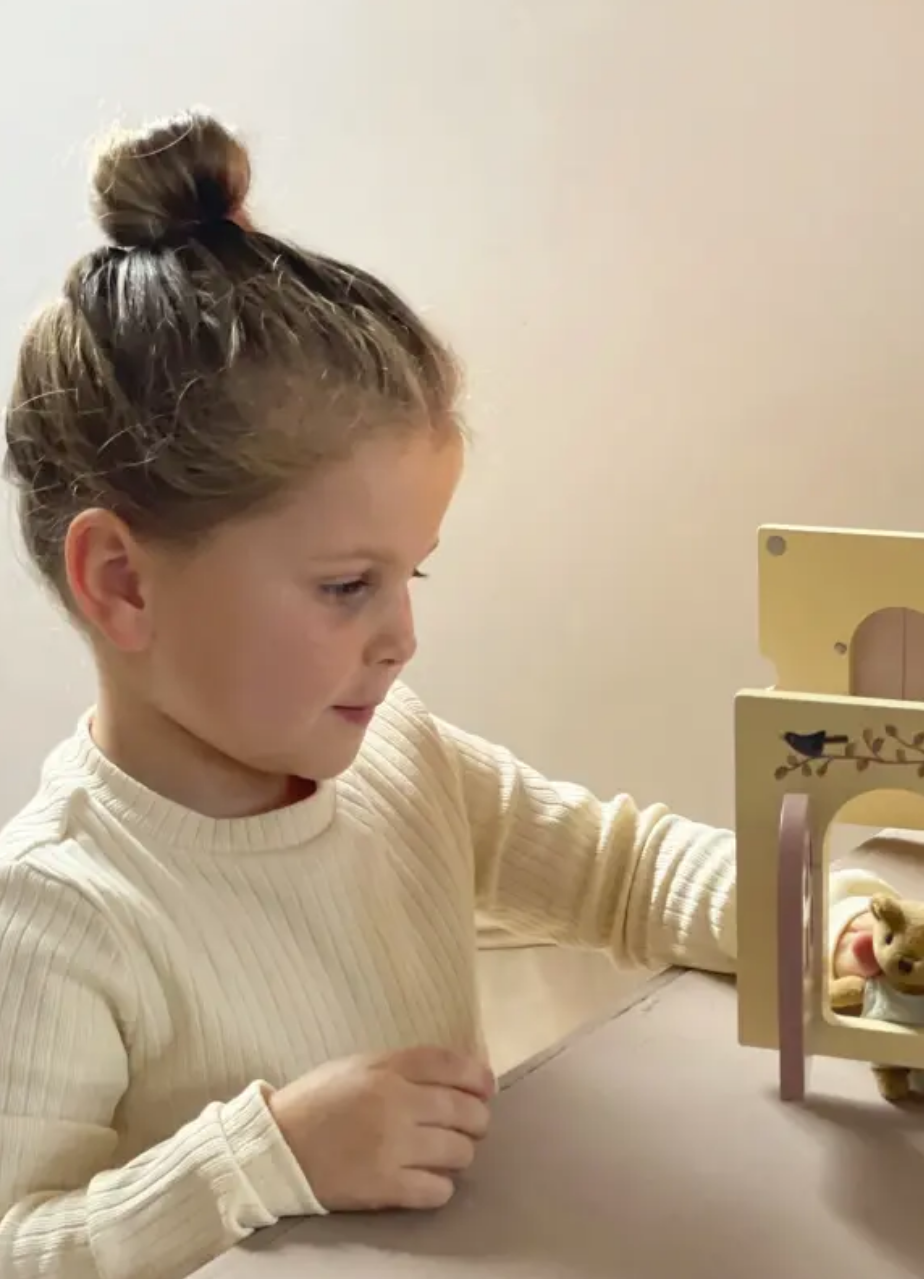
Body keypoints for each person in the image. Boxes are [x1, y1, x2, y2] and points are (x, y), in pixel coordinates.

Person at [0, 109, 740, 1279]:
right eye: (348, 585)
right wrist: (266, 1156)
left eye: (410, 573)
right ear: (122, 582)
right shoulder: (57, 912)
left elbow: (623, 871)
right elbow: (21, 1241)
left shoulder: (403, 759)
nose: (401, 637)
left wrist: (820, 915)